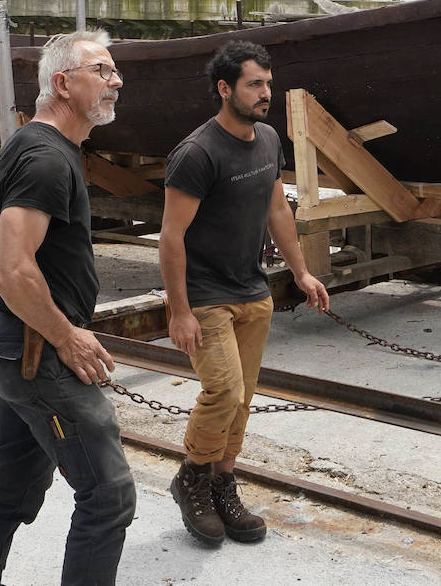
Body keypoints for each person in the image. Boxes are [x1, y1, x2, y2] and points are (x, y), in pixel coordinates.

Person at [0, 30, 136, 586]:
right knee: (108, 494)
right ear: (62, 83)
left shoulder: (39, 145)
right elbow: (10, 269)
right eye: (102, 72)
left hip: (17, 343)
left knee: (10, 482)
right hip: (38, 352)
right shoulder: (46, 160)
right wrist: (67, 336)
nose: (116, 82)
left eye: (113, 71)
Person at [159, 41, 330, 548]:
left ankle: (221, 484)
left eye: (269, 84)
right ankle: (191, 476)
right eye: (255, 84)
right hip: (205, 295)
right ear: (224, 88)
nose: (266, 94)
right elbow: (170, 238)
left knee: (243, 400)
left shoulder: (269, 139)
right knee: (224, 392)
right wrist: (180, 310)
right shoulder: (196, 154)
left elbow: (277, 208)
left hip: (252, 290)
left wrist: (301, 272)